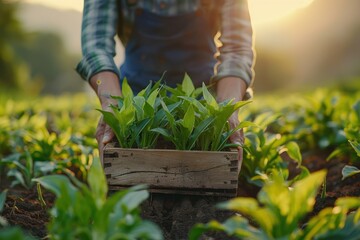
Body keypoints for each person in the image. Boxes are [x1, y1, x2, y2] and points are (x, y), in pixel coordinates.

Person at [76, 0, 255, 162]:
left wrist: (227, 108)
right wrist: (111, 103)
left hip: (201, 107)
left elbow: (237, 49)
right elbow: (96, 46)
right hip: (137, 103)